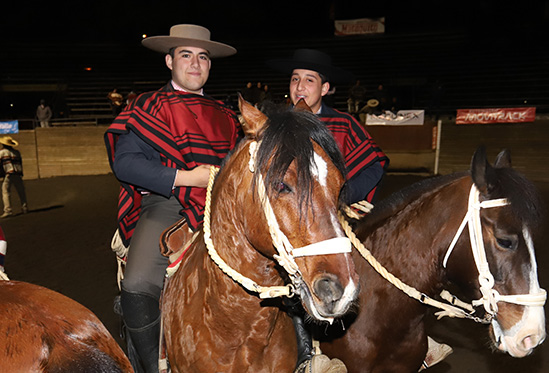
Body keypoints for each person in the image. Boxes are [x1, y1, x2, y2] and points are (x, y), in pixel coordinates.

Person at [104, 24, 241, 373]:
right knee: (137, 284)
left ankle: (306, 354)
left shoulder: (227, 115)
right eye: (185, 55)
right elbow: (125, 163)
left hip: (224, 208)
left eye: (202, 57)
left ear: (210, 65)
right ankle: (154, 366)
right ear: (169, 61)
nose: (195, 64)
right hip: (168, 205)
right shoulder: (148, 105)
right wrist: (186, 177)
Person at [268, 48, 389, 204]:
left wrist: (342, 197)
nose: (299, 87)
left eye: (309, 80)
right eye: (295, 79)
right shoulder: (273, 124)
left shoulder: (344, 124)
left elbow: (374, 166)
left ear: (324, 88)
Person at [0, 136, 28, 218]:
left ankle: (8, 210)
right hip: (17, 173)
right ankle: (24, 207)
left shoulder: (1, 152)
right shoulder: (17, 152)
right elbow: (20, 163)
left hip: (8, 174)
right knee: (21, 191)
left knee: (5, 191)